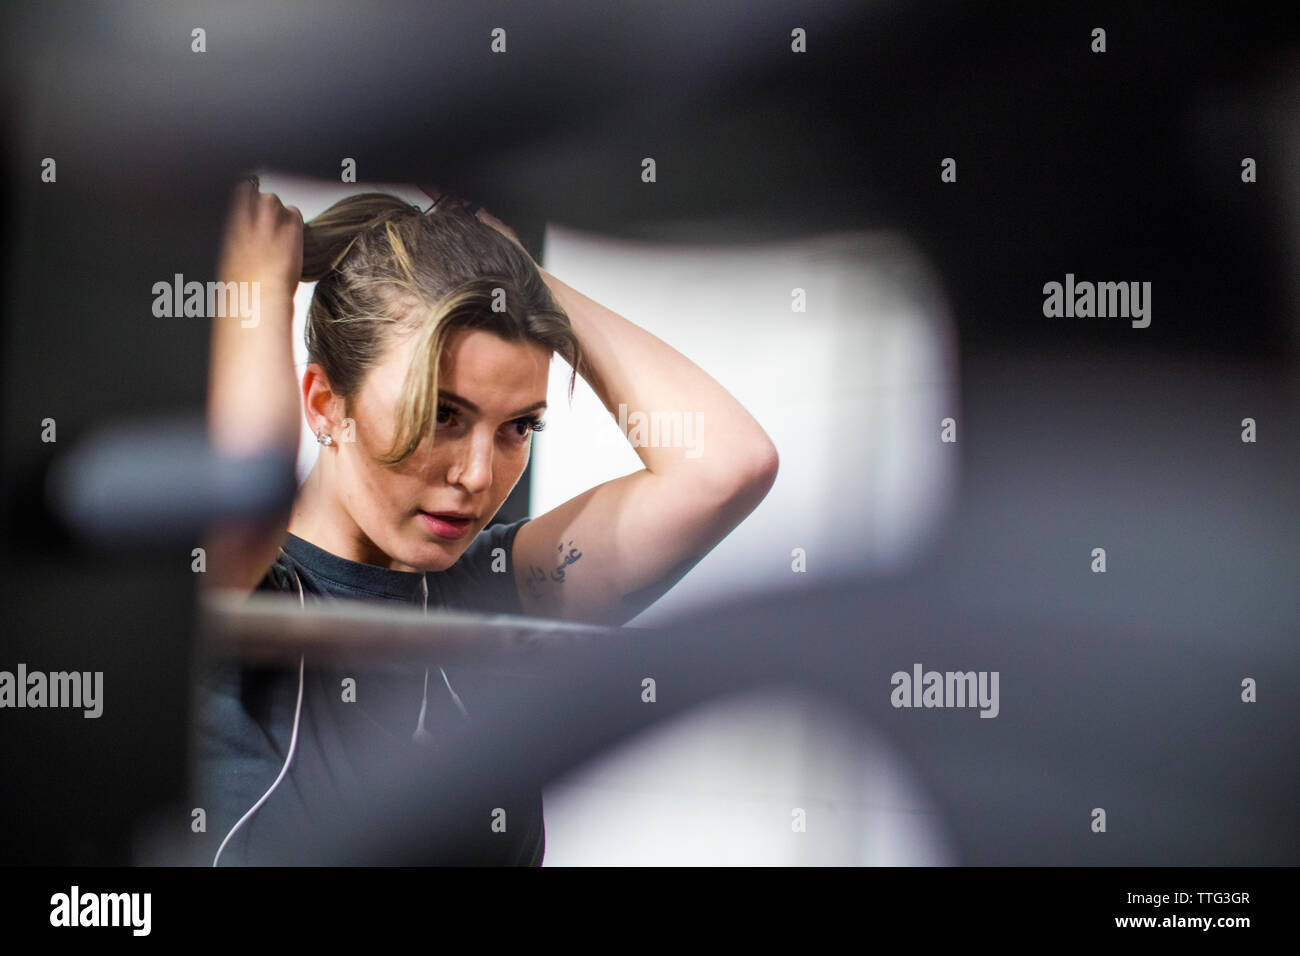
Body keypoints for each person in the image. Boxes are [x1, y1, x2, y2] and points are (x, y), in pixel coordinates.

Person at [193, 179, 779, 866]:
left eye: (518, 426)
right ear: (324, 404)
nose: (478, 476)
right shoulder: (234, 587)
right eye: (444, 414)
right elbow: (247, 490)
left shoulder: (495, 590)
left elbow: (725, 466)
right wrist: (259, 290)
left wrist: (518, 275)